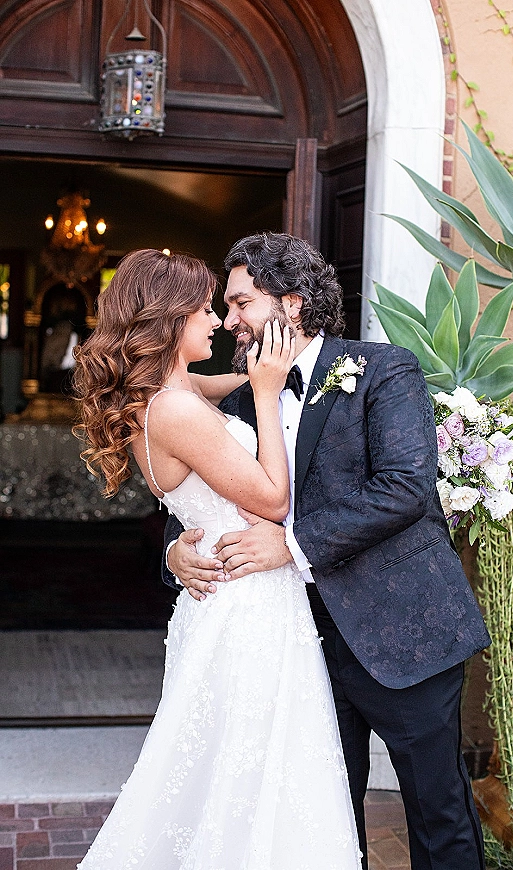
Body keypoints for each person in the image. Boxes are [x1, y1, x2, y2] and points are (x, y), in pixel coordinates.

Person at [164, 232, 492, 870]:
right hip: (295, 648)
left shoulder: (383, 370)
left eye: (240, 303)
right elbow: (202, 496)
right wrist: (176, 552)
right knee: (322, 823)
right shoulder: (235, 400)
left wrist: (290, 544)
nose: (229, 320)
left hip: (404, 633)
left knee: (437, 812)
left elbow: (405, 488)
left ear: (290, 302)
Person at [73, 248, 362, 870]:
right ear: (169, 319)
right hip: (246, 607)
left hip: (232, 595)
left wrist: (283, 358)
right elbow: (272, 496)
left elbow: (237, 378)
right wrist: (263, 393)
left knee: (239, 768)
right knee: (248, 770)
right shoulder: (173, 409)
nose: (219, 322)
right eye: (206, 308)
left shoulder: (173, 389)